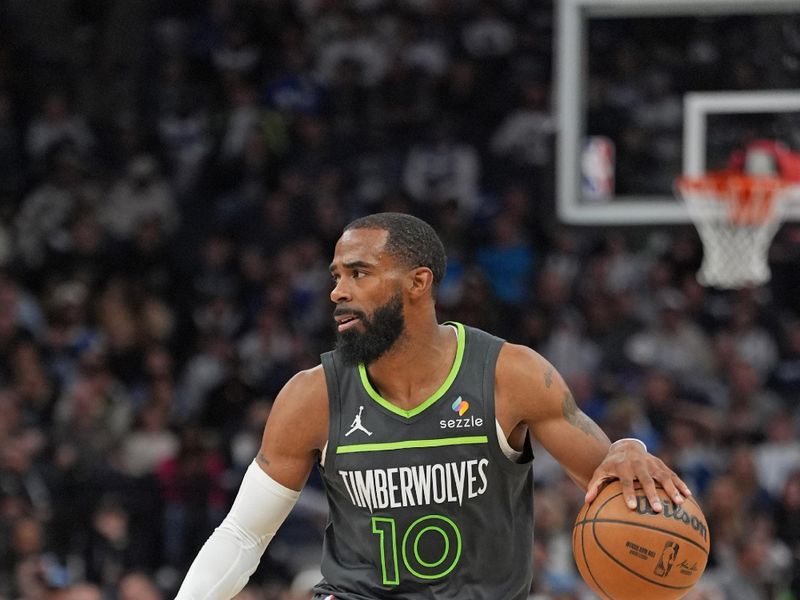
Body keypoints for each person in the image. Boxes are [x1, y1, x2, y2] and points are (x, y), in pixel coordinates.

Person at [174, 212, 691, 600]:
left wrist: (626, 446)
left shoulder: (510, 375)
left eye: (359, 274)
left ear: (418, 282)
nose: (337, 292)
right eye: (336, 277)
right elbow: (242, 533)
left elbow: (610, 485)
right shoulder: (313, 395)